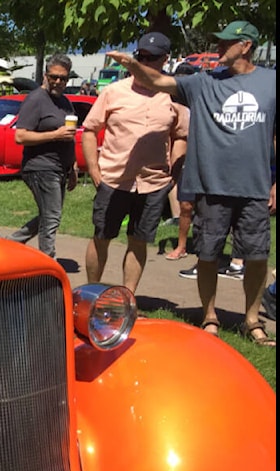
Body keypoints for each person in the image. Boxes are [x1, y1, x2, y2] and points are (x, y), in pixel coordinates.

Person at [108, 20, 276, 346]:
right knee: (208, 255)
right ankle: (209, 316)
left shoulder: (271, 82)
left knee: (256, 257)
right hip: (211, 186)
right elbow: (157, 79)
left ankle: (252, 320)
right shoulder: (202, 83)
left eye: (225, 43)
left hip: (254, 186)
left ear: (246, 46)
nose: (217, 47)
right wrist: (132, 65)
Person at [81, 32, 189, 294]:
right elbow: (89, 130)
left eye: (152, 58)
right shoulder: (114, 92)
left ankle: (128, 296)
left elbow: (181, 136)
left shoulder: (174, 96)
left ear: (165, 59)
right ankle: (91, 293)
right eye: (141, 56)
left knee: (139, 241)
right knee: (102, 237)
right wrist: (94, 169)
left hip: (153, 184)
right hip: (114, 179)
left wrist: (173, 171)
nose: (145, 61)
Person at [7, 53, 78, 258]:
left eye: (62, 78)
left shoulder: (65, 102)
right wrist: (54, 134)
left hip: (60, 168)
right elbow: (20, 136)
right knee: (52, 216)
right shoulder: (36, 99)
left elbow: (69, 137)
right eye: (53, 76)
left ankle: (10, 243)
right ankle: (48, 262)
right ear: (46, 75)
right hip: (40, 167)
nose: (58, 81)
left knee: (48, 216)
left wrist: (72, 167)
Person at [165, 62, 199, 261]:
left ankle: (205, 251)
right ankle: (181, 246)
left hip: (205, 159)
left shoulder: (201, 101)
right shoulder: (174, 104)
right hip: (187, 159)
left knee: (205, 207)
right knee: (185, 204)